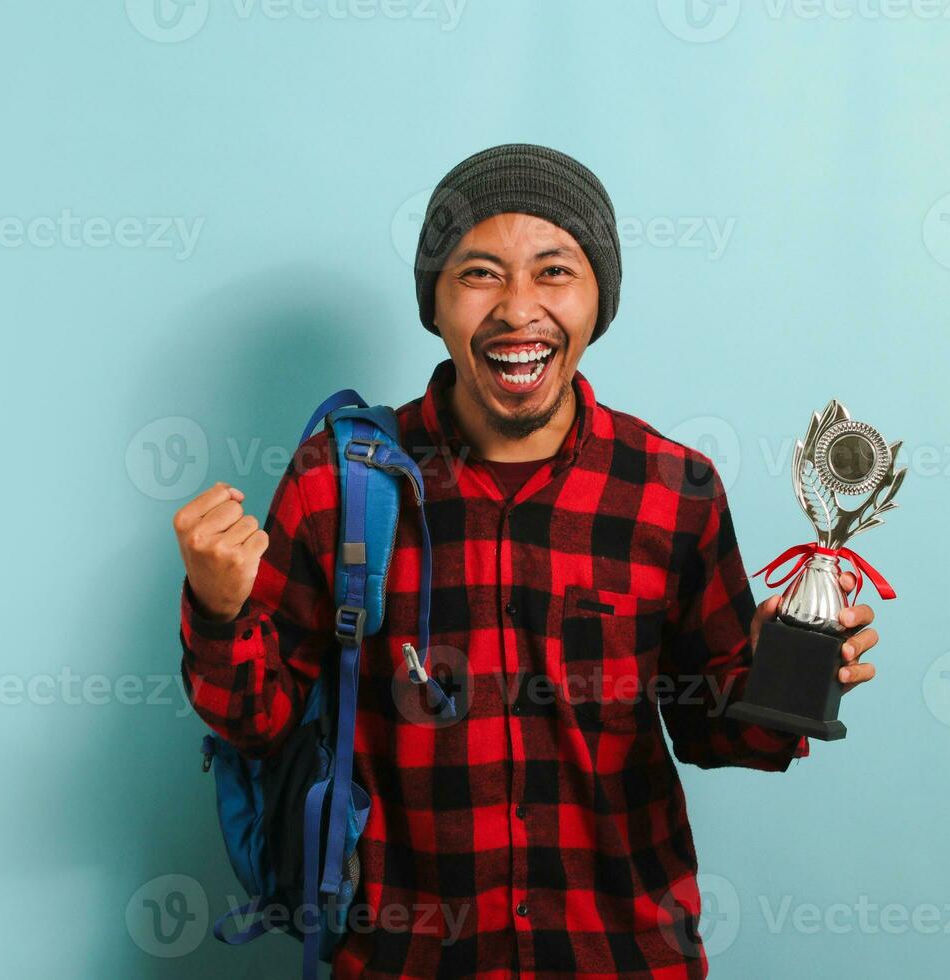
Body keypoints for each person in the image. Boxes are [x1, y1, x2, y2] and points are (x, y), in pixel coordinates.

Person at [172, 143, 881, 978]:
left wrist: (783, 675)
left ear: (597, 300)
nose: (519, 310)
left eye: (554, 272)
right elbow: (256, 721)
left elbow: (713, 730)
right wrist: (218, 610)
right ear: (434, 303)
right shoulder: (341, 480)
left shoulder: (673, 487)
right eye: (479, 273)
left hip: (622, 957)